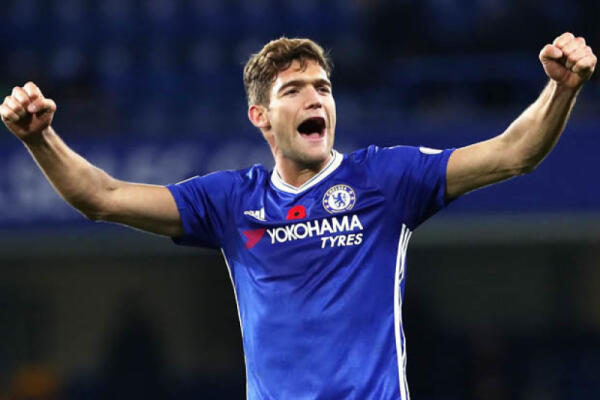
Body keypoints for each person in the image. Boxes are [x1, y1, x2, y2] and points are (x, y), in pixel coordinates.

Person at [0, 33, 596, 399]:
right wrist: (39, 138)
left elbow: (513, 153)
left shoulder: (385, 180)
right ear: (260, 116)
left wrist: (562, 89)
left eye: (324, 87)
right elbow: (101, 197)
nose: (316, 98)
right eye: (294, 90)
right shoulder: (230, 203)